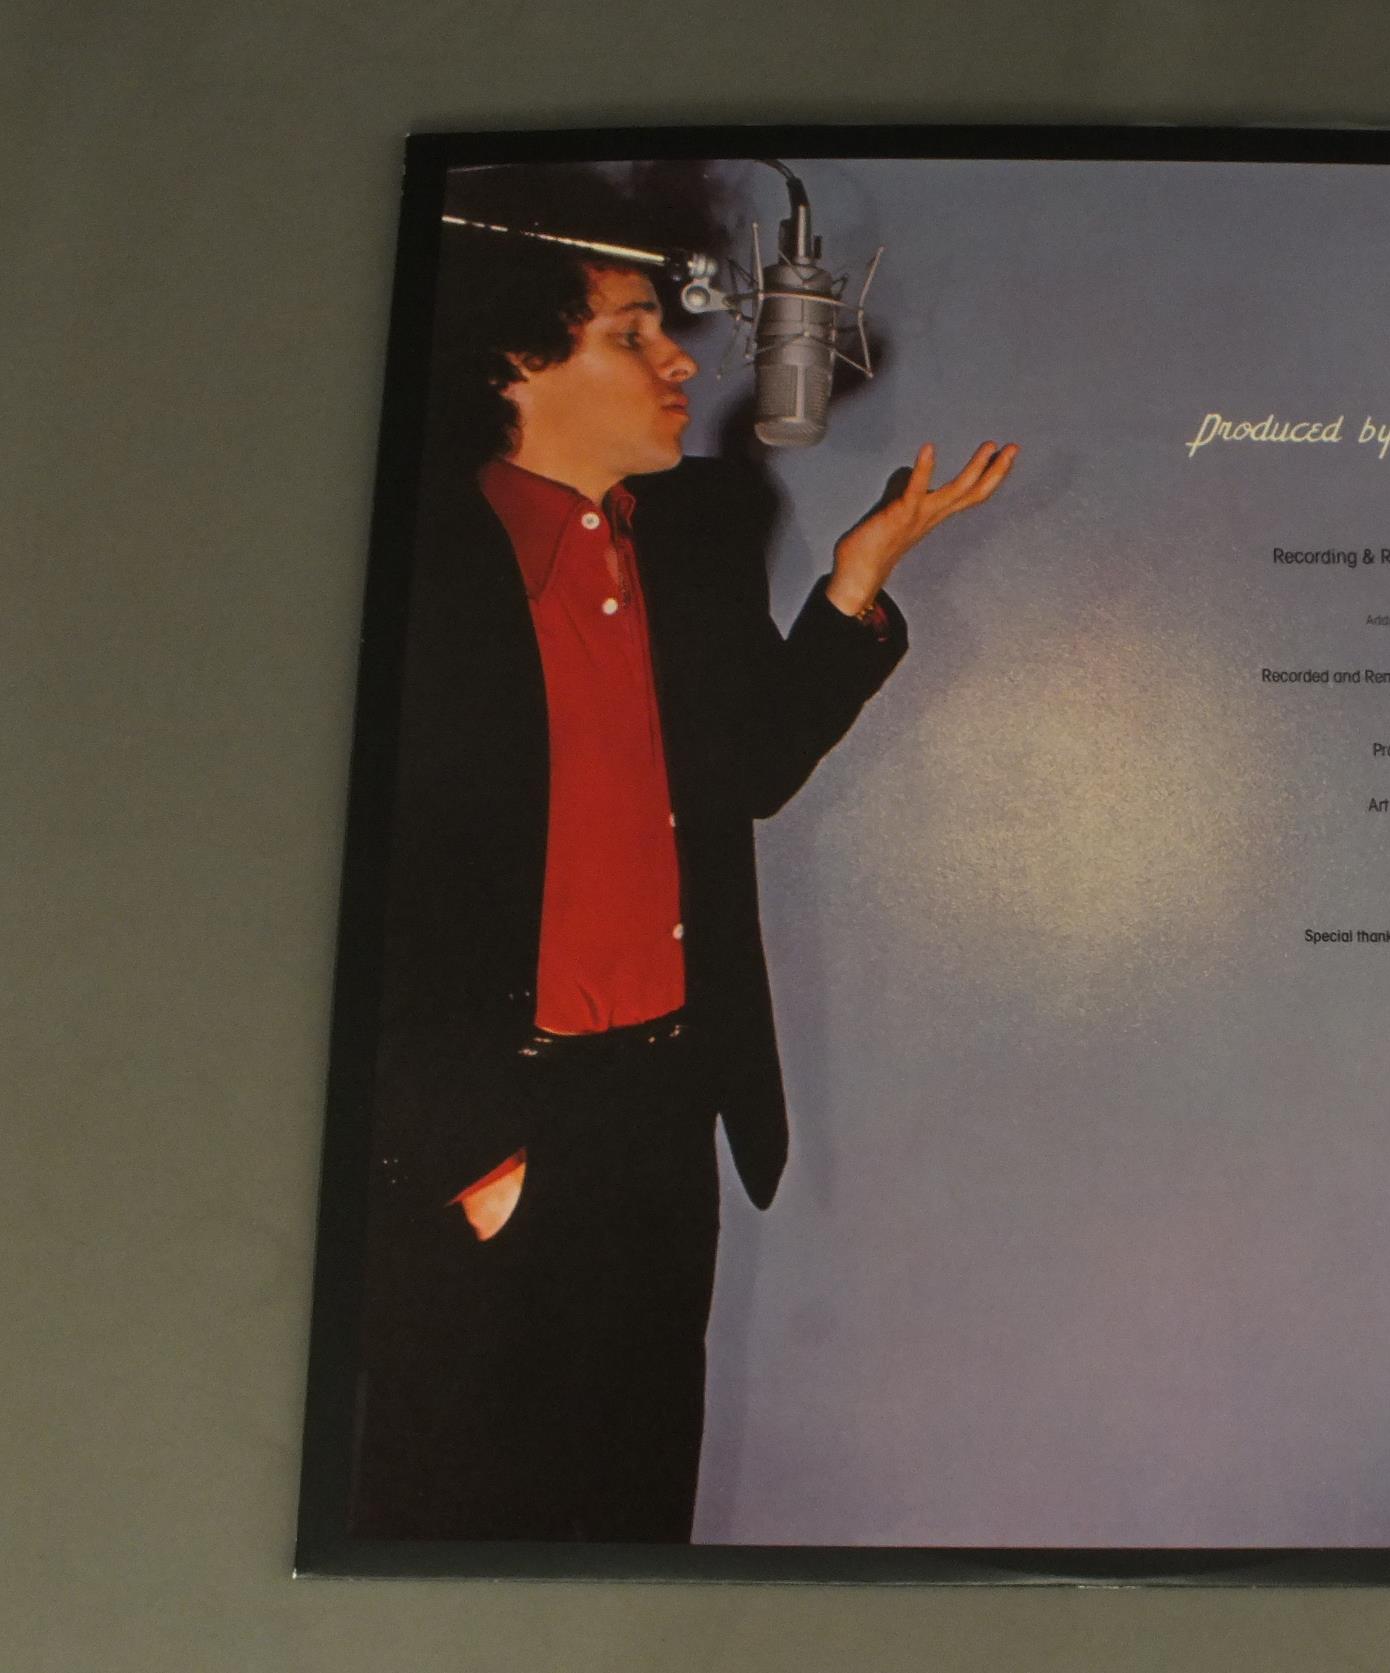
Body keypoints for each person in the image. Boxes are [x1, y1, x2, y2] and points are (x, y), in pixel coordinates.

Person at [348, 169, 1014, 1541]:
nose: (682, 363)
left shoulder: (697, 536)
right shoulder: (408, 562)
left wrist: (855, 583)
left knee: (635, 1508)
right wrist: (463, 1151)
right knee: (451, 1519)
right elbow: (367, 882)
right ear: (516, 365)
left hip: (663, 1117)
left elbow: (746, 772)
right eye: (633, 333)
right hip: (490, 1129)